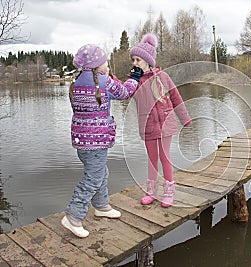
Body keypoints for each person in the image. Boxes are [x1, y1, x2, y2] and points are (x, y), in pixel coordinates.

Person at [62, 44, 141, 238]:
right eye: (105, 61)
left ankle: (101, 206)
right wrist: (135, 77)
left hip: (82, 142)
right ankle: (73, 216)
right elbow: (125, 92)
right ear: (98, 65)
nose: (107, 64)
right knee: (93, 177)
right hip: (96, 142)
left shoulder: (76, 82)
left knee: (100, 172)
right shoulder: (103, 82)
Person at [130, 33, 192, 208]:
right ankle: (152, 192)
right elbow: (127, 93)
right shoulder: (135, 81)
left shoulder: (163, 77)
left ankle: (169, 191)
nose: (134, 63)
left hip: (166, 124)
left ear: (148, 61)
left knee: (165, 157)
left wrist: (184, 119)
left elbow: (176, 97)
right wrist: (116, 81)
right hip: (148, 125)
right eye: (133, 60)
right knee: (152, 158)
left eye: (138, 60)